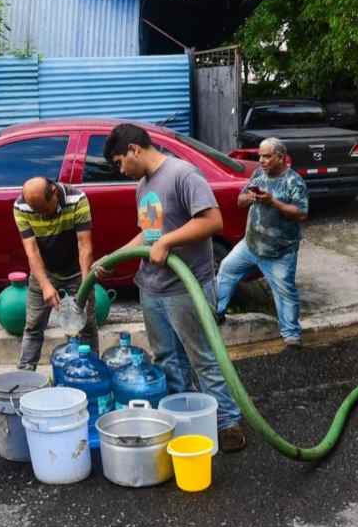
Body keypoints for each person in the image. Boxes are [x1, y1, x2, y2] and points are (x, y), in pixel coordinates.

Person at [102, 123, 246, 452]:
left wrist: (167, 241)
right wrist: (114, 257)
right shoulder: (143, 185)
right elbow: (149, 234)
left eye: (120, 161)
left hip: (187, 285)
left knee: (203, 358)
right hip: (152, 287)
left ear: (134, 150)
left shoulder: (183, 174)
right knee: (168, 358)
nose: (120, 169)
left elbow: (212, 221)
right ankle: (186, 420)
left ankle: (228, 422)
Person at [215, 138, 309, 348]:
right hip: (250, 245)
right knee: (226, 270)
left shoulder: (293, 181)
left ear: (280, 157)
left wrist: (272, 202)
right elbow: (240, 200)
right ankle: (217, 313)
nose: (261, 160)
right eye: (260, 156)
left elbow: (301, 213)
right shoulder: (258, 174)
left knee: (284, 292)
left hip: (279, 252)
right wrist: (249, 198)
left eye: (266, 156)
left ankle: (292, 337)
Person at [13, 176, 98, 369]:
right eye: (36, 211)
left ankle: (91, 370)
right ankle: (25, 374)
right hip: (44, 270)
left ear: (54, 192)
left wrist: (85, 286)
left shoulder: (77, 199)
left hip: (77, 271)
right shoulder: (21, 206)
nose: (41, 215)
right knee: (33, 326)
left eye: (44, 209)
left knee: (86, 327)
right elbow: (31, 250)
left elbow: (85, 246)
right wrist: (45, 285)